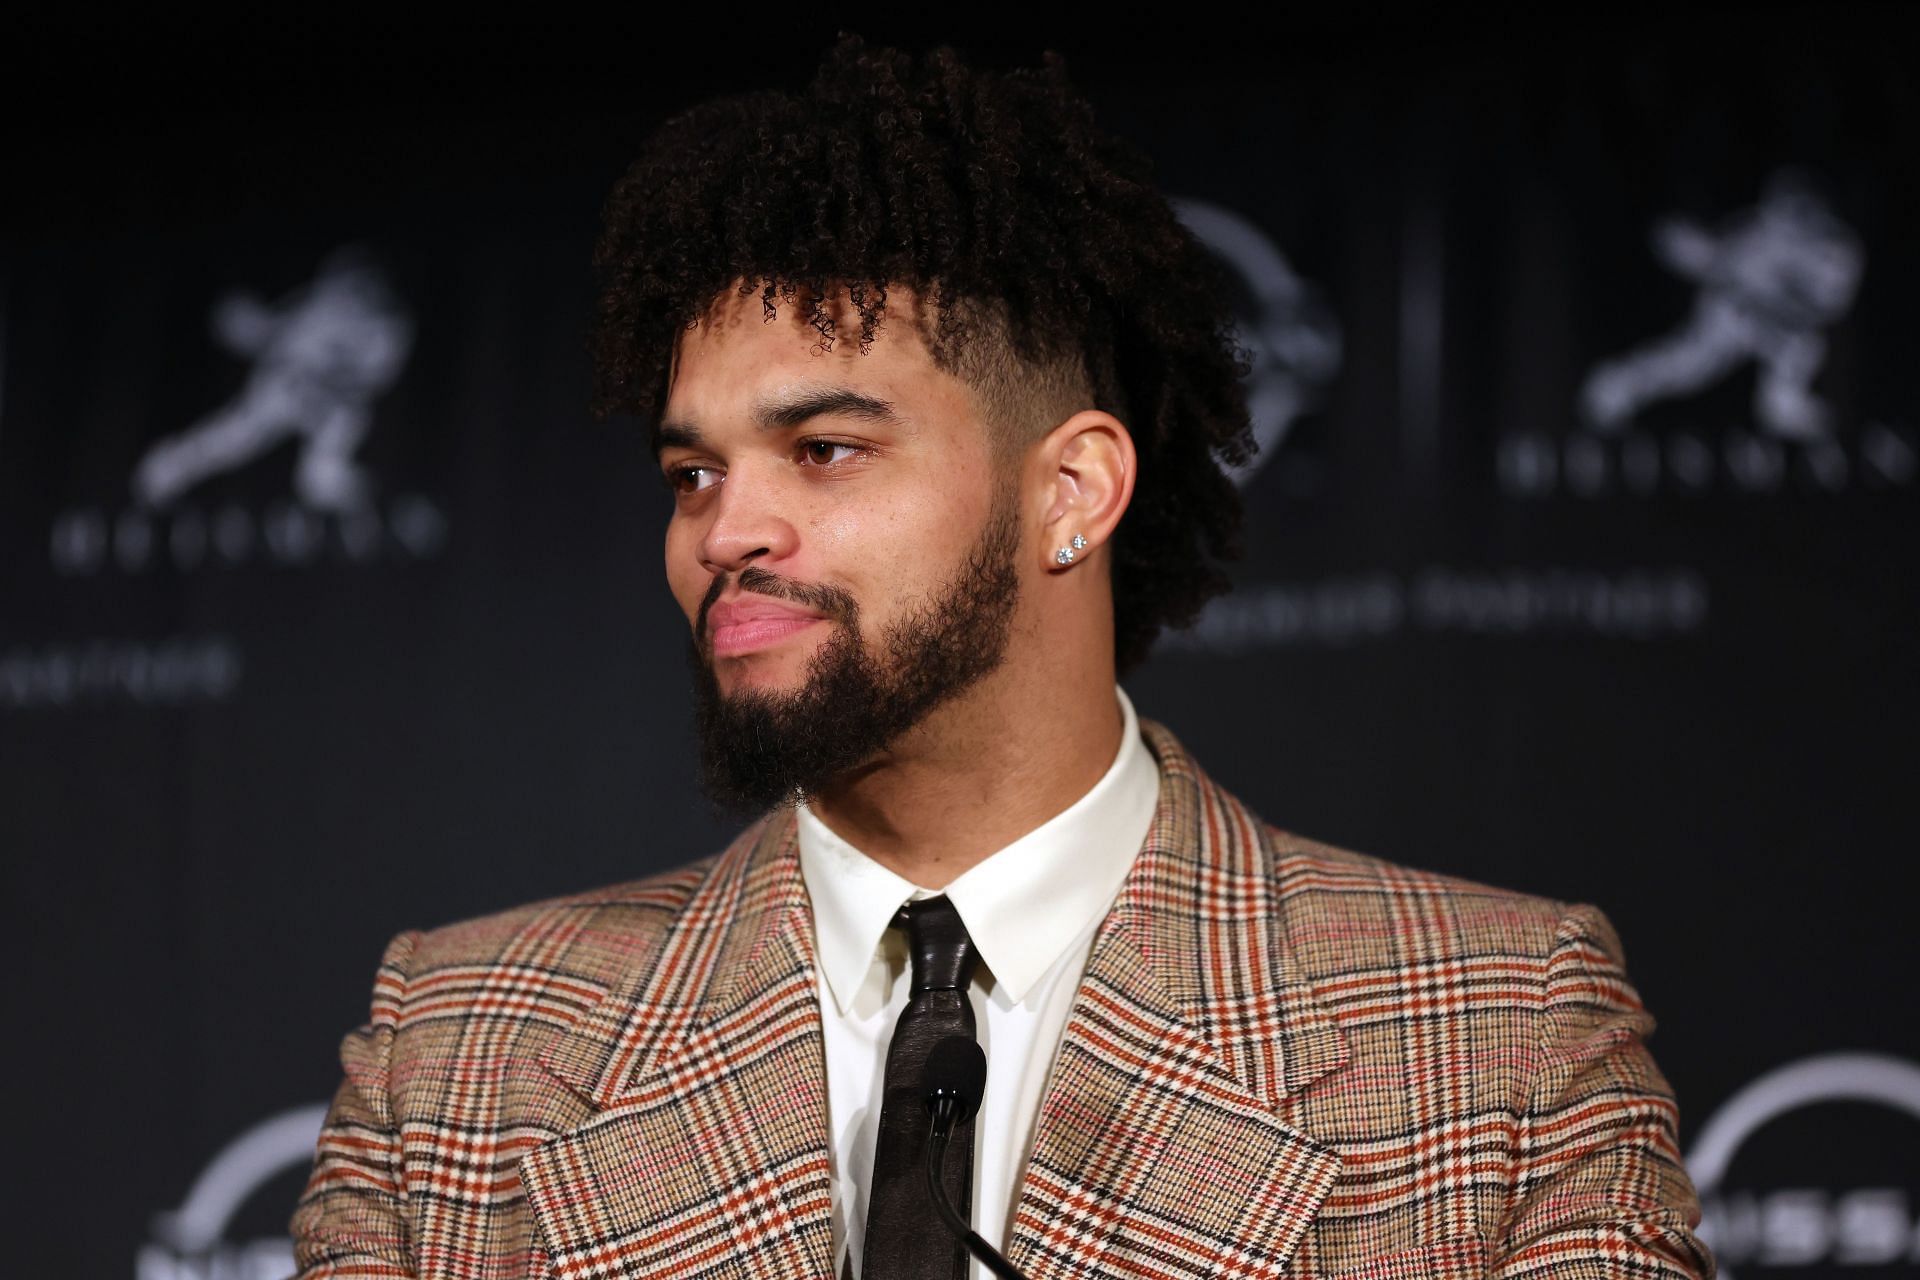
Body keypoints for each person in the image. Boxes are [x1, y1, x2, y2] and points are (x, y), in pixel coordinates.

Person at [291, 37, 1711, 1280]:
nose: (726, 530)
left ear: (1073, 493)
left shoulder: (1507, 1036)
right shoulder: (453, 1059)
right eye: (689, 474)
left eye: (825, 449)